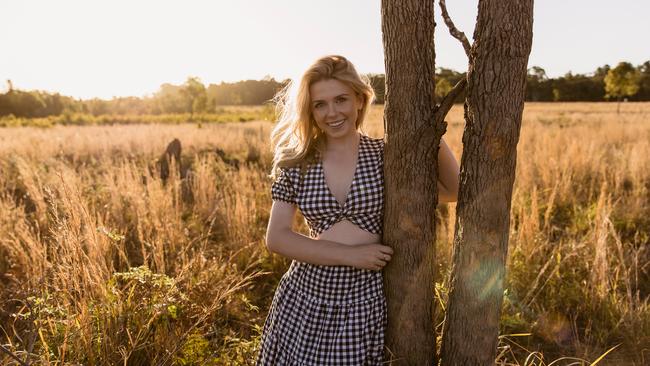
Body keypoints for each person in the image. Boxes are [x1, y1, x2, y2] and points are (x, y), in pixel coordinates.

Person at [256, 55, 460, 365]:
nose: (332, 112)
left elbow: (453, 190)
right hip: (307, 294)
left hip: (362, 297)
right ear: (309, 111)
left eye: (341, 99)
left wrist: (430, 129)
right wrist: (351, 256)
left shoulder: (385, 156)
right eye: (319, 104)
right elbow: (278, 238)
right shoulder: (297, 162)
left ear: (360, 101)